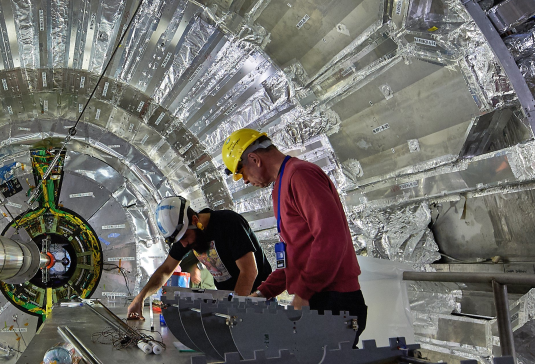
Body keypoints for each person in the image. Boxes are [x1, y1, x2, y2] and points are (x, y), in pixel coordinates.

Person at [221, 128, 367, 326]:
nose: (245, 180)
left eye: (242, 172)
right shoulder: (281, 185)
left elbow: (331, 238)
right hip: (317, 297)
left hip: (334, 300)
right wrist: (263, 293)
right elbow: (293, 255)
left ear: (254, 159)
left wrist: (304, 292)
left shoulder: (301, 175)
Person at [125, 195, 271, 320]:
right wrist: (140, 297)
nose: (184, 244)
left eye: (185, 237)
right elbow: (166, 269)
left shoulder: (229, 223)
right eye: (179, 241)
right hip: (232, 302)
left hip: (259, 300)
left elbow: (249, 271)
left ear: (195, 220)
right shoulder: (184, 236)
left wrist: (233, 311)